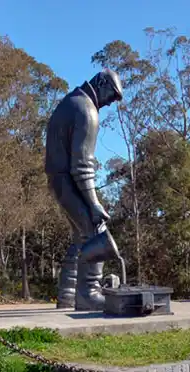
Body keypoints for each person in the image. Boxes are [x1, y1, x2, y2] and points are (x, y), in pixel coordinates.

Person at [44, 69, 123, 311]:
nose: (110, 102)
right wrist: (94, 203)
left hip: (58, 178)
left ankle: (68, 293)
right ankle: (88, 292)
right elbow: (82, 166)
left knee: (80, 235)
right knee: (95, 232)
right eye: (112, 95)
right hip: (67, 179)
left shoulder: (72, 101)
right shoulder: (87, 110)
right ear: (101, 83)